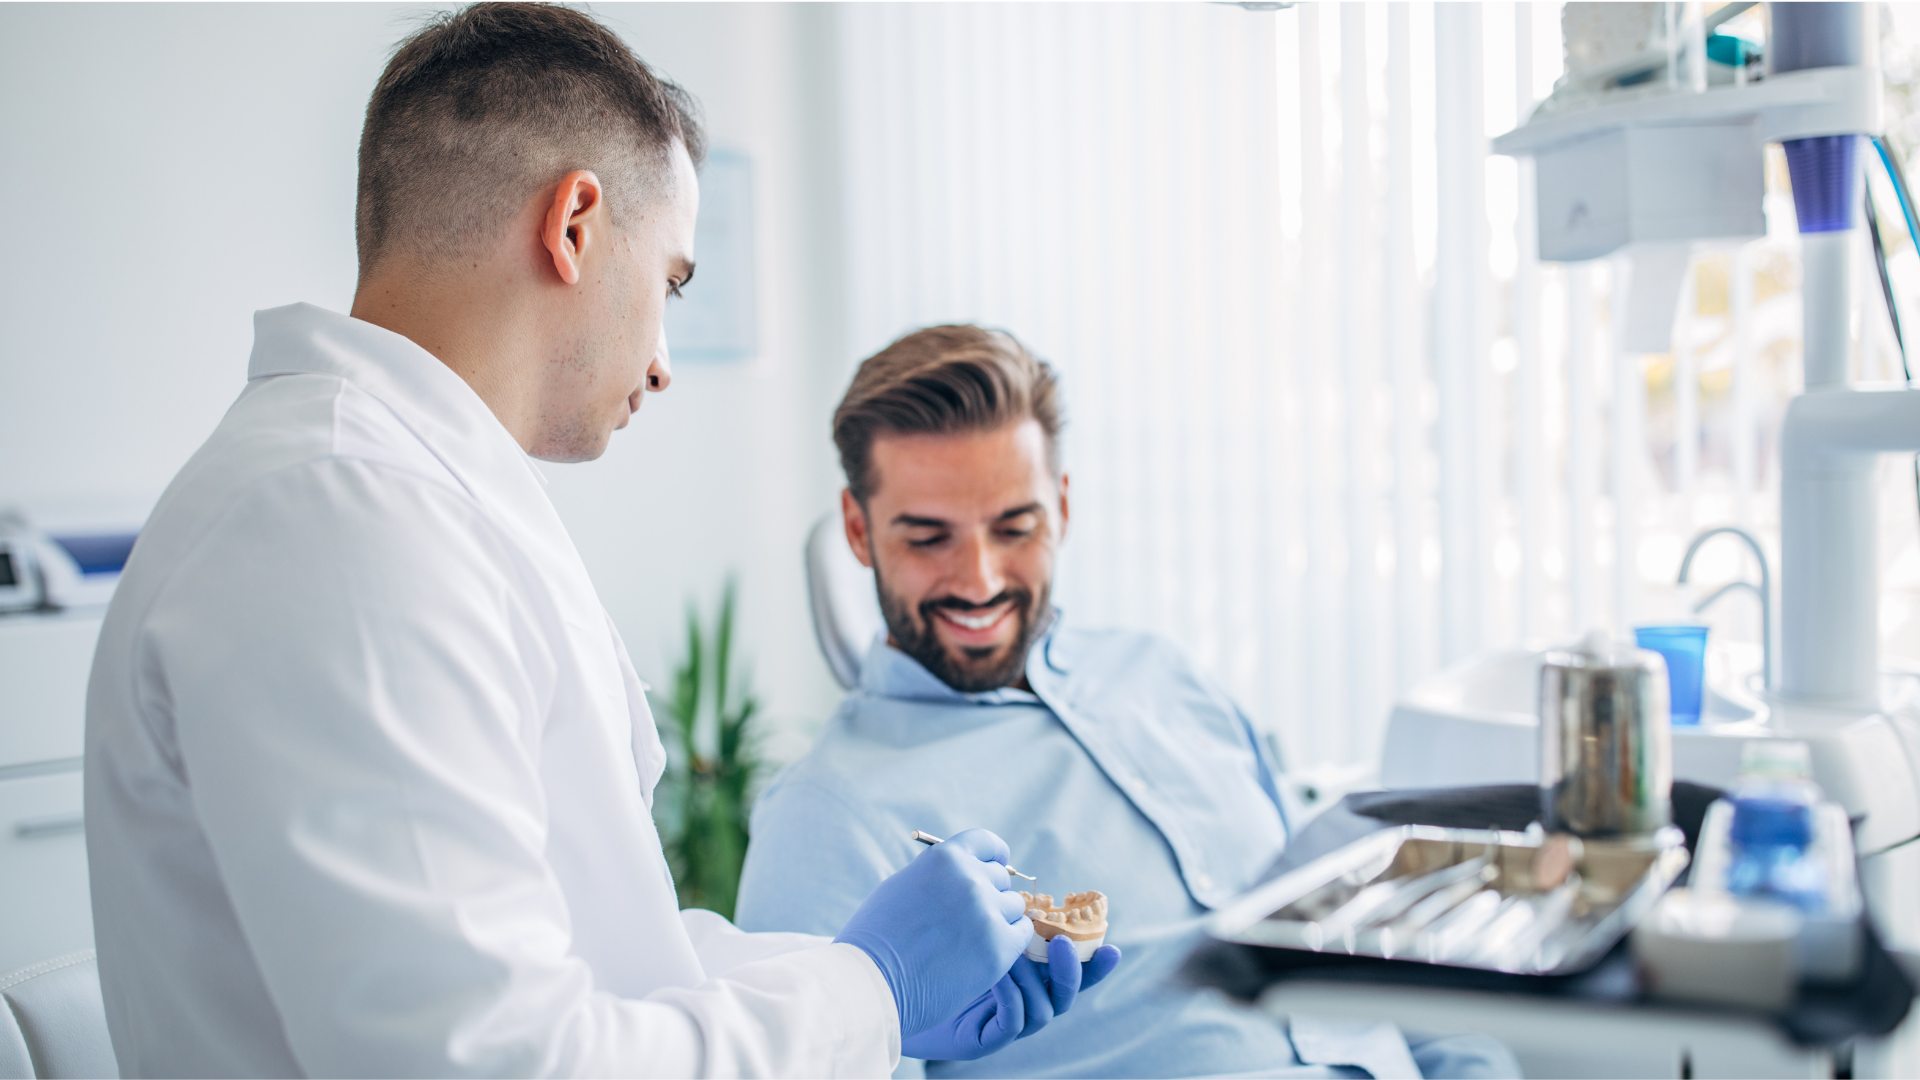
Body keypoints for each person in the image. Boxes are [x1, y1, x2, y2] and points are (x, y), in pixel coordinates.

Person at [84, 7, 1114, 1076]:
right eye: (670, 281)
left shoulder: (407, 501)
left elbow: (605, 957)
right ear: (574, 223)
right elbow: (488, 1059)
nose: (664, 361)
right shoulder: (339, 522)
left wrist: (876, 1006)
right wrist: (874, 986)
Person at [734, 326, 1521, 1079]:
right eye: (928, 537)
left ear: (1063, 508)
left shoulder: (1164, 676)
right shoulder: (825, 816)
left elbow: (1348, 931)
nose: (978, 580)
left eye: (1016, 527)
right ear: (859, 531)